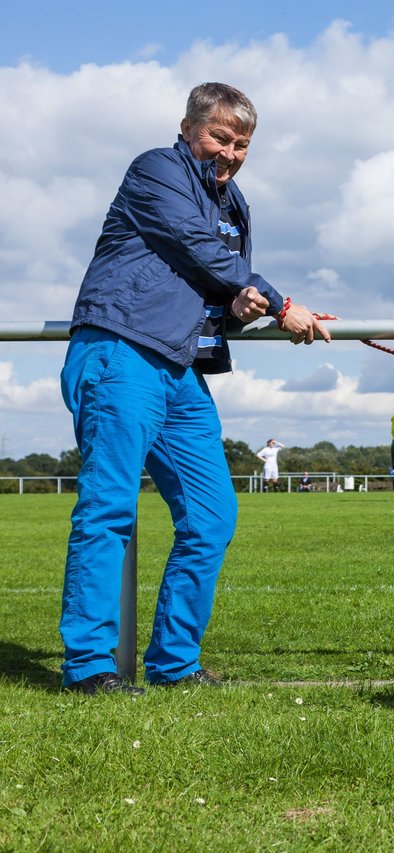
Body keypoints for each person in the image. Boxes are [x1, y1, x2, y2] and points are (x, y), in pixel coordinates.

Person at [59, 82, 331, 695]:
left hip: (182, 370)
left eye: (243, 145)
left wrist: (250, 304)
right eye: (220, 138)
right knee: (108, 509)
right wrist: (283, 302)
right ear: (187, 129)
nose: (230, 153)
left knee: (212, 516)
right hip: (120, 352)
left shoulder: (235, 204)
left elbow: (220, 285)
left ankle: (174, 663)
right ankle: (89, 667)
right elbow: (194, 246)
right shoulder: (156, 169)